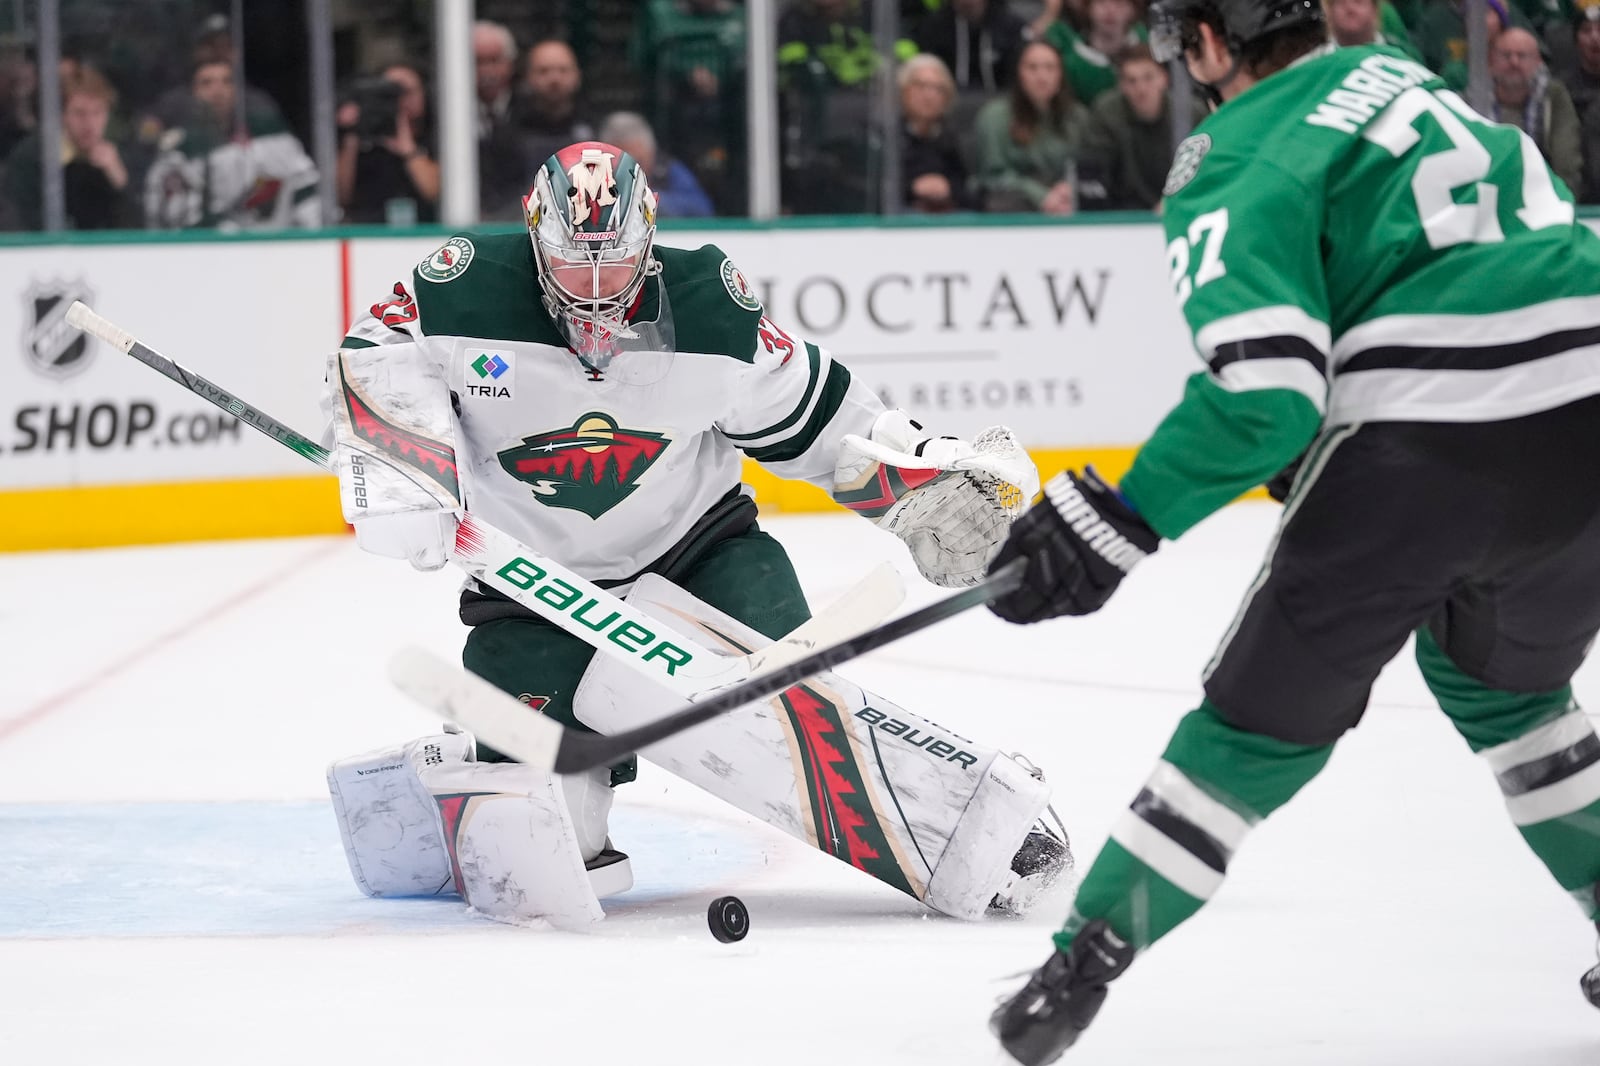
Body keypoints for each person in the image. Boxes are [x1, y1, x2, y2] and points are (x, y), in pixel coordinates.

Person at [981, 0, 1600, 1060]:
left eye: (1189, 50)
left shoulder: (1231, 151)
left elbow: (1264, 399)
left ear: (1213, 43)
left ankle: (1082, 958)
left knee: (1254, 723)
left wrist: (1109, 520)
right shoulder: (1409, 82)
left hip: (1432, 441)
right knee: (1510, 691)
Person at [322, 140, 1071, 931]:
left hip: (699, 560)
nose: (598, 290)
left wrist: (915, 482)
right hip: (534, 595)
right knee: (544, 840)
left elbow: (820, 415)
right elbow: (373, 354)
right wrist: (405, 461)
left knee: (784, 711)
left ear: (650, 240)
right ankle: (466, 769)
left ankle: (958, 826)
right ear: (536, 240)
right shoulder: (463, 287)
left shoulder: (710, 304)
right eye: (576, 267)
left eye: (618, 265)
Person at [143, 56, 319, 231]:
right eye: (207, 83)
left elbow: (304, 187)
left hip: (273, 245)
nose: (217, 91)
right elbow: (175, 219)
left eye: (226, 82)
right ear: (194, 92)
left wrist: (316, 235)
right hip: (207, 251)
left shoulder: (270, 137)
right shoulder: (178, 152)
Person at [5, 65, 139, 230]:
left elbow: (137, 228)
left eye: (98, 113)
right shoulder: (32, 158)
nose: (90, 124)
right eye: (79, 113)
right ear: (62, 115)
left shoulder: (119, 157)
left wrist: (120, 182)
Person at [973, 40, 1088, 214]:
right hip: (1012, 206)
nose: (1042, 76)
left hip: (1065, 203)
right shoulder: (994, 116)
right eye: (1032, 68)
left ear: (1061, 75)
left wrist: (1069, 188)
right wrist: (1041, 196)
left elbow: (1088, 166)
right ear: (1019, 73)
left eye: (1050, 68)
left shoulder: (1078, 116)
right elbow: (993, 175)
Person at [335, 62, 440, 225]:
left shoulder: (439, 138)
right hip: (370, 233)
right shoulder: (360, 143)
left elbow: (436, 192)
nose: (399, 101)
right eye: (388, 93)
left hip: (425, 233)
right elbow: (340, 196)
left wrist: (409, 149)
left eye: (406, 92)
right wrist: (353, 134)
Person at [1076, 43, 1176, 210]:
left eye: (1148, 78)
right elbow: (1096, 169)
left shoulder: (1188, 112)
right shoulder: (1106, 114)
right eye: (1131, 81)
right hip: (1122, 213)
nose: (1141, 89)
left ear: (1164, 79)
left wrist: (1174, 202)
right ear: (1121, 85)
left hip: (1179, 209)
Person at [1489, 26, 1583, 193]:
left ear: (1538, 61)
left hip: (1544, 194)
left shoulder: (1554, 97)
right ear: (1491, 60)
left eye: (1522, 56)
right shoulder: (1473, 98)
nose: (1514, 62)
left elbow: (1567, 163)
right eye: (1506, 55)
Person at [597, 110, 715, 217]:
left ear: (651, 152)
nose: (631, 171)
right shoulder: (589, 176)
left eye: (638, 161)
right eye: (621, 165)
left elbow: (702, 208)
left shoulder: (668, 170)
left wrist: (647, 199)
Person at [898, 52, 973, 212]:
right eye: (921, 86)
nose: (929, 95)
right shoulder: (885, 137)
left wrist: (949, 189)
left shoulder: (952, 139)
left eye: (938, 89)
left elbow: (970, 190)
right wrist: (912, 187)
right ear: (903, 91)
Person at [1042, 0, 1149, 107]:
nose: (1110, 11)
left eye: (1119, 3)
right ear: (1089, 8)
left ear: (1132, 9)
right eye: (1101, 3)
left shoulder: (1146, 43)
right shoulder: (1072, 62)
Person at [514, 39, 596, 168]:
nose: (554, 79)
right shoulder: (510, 135)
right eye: (544, 71)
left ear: (577, 76)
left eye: (563, 70)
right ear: (528, 77)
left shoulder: (597, 130)